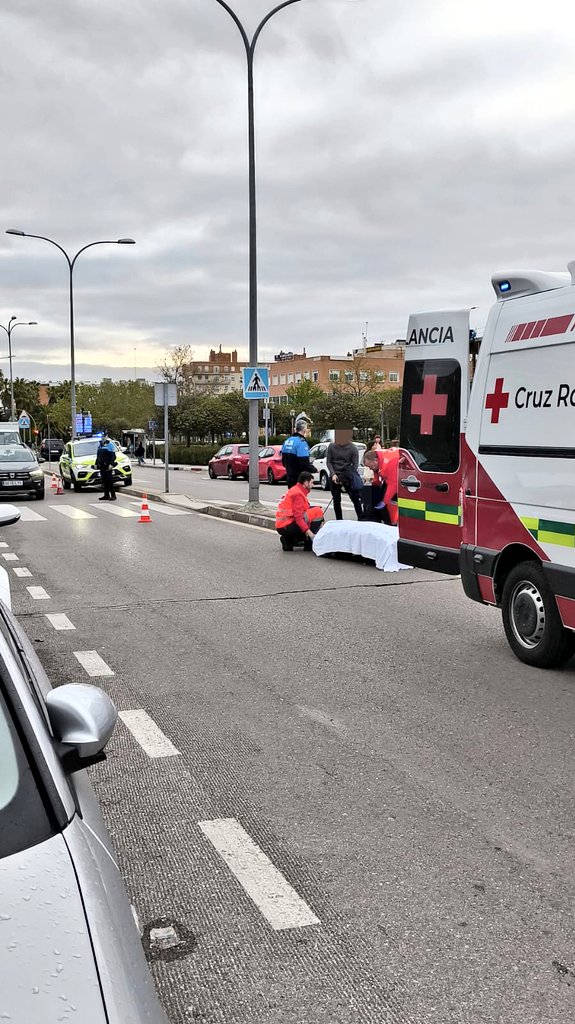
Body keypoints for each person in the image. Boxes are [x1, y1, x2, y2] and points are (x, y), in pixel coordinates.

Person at [275, 471, 324, 551]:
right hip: (288, 525)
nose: (313, 485)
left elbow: (302, 509)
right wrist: (311, 535)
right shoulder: (298, 494)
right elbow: (298, 517)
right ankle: (308, 542)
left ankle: (289, 540)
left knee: (313, 509)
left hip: (283, 525)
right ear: (306, 483)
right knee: (318, 512)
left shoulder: (295, 490)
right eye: (312, 482)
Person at [326, 425, 363, 520]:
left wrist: (345, 477)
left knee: (355, 498)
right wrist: (333, 474)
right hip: (335, 475)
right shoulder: (332, 446)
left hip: (348, 475)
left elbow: (354, 465)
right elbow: (329, 462)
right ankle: (339, 520)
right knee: (336, 499)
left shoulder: (353, 448)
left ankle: (361, 518)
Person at [281, 412, 316, 488]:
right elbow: (304, 464)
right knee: (299, 497)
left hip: (289, 477)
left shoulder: (287, 441)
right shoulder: (301, 443)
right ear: (304, 430)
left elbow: (283, 462)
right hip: (299, 478)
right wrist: (314, 469)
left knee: (291, 495)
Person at [96, 436, 117, 501]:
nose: (102, 439)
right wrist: (96, 464)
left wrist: (111, 464)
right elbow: (98, 456)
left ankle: (113, 495)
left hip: (108, 466)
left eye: (103, 438)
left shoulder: (110, 445)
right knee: (104, 481)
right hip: (102, 466)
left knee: (109, 481)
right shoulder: (100, 446)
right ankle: (106, 495)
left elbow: (113, 456)